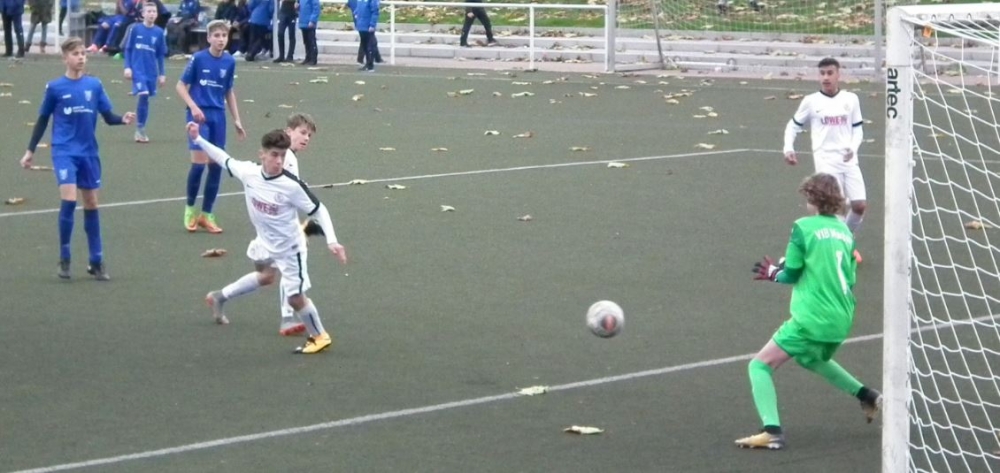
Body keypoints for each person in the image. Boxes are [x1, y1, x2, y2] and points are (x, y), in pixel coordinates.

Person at [738, 173, 881, 450]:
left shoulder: (802, 227)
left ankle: (772, 432)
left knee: (759, 365)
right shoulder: (845, 232)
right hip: (842, 316)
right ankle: (868, 395)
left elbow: (791, 273)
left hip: (812, 317)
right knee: (810, 358)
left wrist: (773, 273)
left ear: (811, 199)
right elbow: (850, 278)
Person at [194, 124, 347, 354]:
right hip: (264, 243)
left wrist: (332, 241)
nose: (279, 161)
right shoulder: (249, 173)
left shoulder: (291, 186)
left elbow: (319, 210)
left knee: (295, 298)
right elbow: (223, 158)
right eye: (274, 155)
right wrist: (197, 138)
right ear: (262, 154)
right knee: (266, 276)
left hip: (290, 249)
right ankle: (219, 297)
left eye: (283, 156)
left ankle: (319, 336)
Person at [19, 37, 136, 280]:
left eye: (83, 53)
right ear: (65, 58)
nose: (81, 57)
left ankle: (96, 260)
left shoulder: (94, 85)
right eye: (75, 54)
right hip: (64, 151)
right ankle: (65, 258)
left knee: (91, 203)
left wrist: (122, 119)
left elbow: (107, 116)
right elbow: (43, 119)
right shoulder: (55, 88)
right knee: (70, 199)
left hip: (88, 152)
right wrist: (30, 151)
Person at [783, 57, 866, 264]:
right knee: (835, 208)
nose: (826, 78)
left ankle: (845, 240)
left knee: (859, 206)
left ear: (838, 74)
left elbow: (858, 130)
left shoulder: (851, 99)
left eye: (830, 73)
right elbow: (793, 126)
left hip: (849, 161)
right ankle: (838, 249)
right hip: (825, 161)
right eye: (822, 74)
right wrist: (788, 148)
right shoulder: (811, 102)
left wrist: (853, 148)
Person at [175, 19, 246, 234]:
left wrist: (237, 119)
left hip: (218, 117)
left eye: (224, 36)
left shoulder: (229, 61)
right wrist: (193, 107)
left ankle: (207, 214)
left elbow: (228, 91)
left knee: (216, 166)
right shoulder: (198, 59)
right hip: (198, 116)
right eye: (216, 36)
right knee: (199, 165)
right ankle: (190, 209)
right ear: (208, 38)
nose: (221, 39)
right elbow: (180, 85)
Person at [123, 2, 166, 143]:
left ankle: (140, 128)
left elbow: (160, 55)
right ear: (143, 14)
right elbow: (128, 49)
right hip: (138, 70)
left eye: (154, 11)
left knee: (146, 98)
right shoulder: (135, 29)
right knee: (144, 94)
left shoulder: (159, 33)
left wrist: (162, 74)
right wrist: (127, 67)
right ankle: (140, 129)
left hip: (151, 72)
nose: (152, 14)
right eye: (149, 11)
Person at [348, 0, 378, 71]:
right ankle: (367, 64)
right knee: (364, 46)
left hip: (367, 25)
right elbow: (357, 7)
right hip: (361, 25)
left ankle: (370, 65)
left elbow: (375, 12)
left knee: (370, 46)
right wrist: (356, 14)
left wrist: (372, 24)